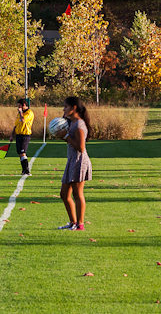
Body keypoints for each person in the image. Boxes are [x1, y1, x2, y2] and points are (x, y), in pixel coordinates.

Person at [57, 96, 92, 231]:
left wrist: (66, 137)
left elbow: (81, 147)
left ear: (74, 108)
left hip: (79, 161)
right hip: (72, 160)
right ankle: (73, 222)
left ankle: (80, 224)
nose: (63, 109)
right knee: (64, 194)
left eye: (66, 107)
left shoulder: (79, 124)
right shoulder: (71, 122)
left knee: (77, 194)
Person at [10, 98, 34, 176]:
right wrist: (12, 135)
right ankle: (24, 170)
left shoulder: (29, 113)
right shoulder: (19, 114)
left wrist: (20, 112)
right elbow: (16, 125)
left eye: (19, 106)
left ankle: (27, 171)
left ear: (24, 105)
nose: (18, 108)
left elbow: (23, 120)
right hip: (18, 135)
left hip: (25, 135)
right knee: (20, 153)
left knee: (22, 152)